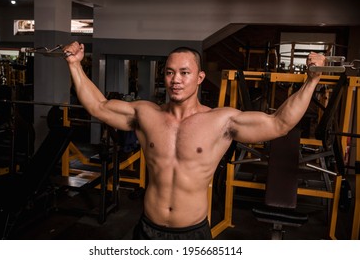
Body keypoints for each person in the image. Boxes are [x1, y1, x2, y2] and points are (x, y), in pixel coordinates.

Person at [63, 42, 325, 239]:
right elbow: (98, 106)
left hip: (192, 234)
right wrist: (75, 64)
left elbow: (280, 124)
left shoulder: (222, 121)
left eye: (184, 73)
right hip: (147, 230)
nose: (175, 79)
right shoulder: (145, 114)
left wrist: (312, 80)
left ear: (200, 78)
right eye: (169, 72)